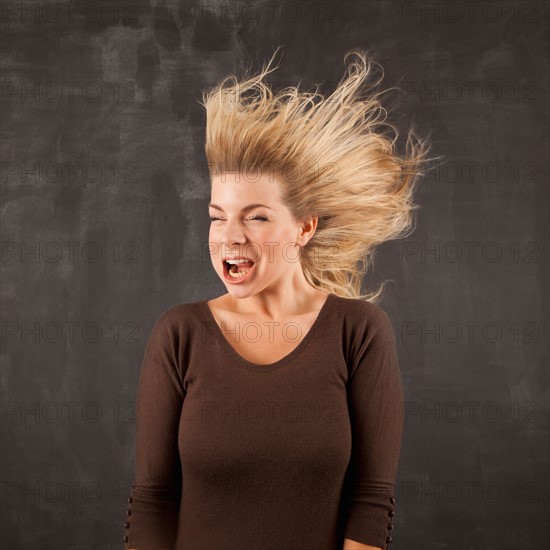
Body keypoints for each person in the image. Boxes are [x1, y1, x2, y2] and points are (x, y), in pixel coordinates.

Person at [122, 47, 429, 550]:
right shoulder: (180, 334)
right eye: (218, 216)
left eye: (256, 217)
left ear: (303, 227)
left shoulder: (358, 331)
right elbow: (154, 498)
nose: (229, 236)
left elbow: (372, 502)